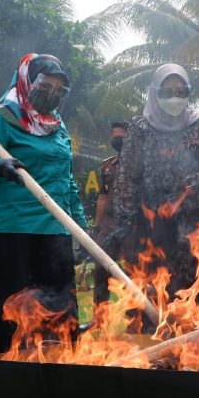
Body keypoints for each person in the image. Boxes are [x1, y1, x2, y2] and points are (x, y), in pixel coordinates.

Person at [0, 53, 87, 358]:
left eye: (60, 90)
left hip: (55, 230)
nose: (52, 94)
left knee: (58, 311)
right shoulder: (4, 116)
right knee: (13, 315)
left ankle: (62, 376)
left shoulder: (58, 125)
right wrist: (0, 167)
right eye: (46, 85)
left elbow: (66, 181)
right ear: (28, 80)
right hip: (12, 232)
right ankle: (8, 378)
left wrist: (81, 228)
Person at [113, 63, 199, 327]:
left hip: (194, 218)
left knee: (198, 280)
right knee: (157, 283)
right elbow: (127, 175)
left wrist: (194, 184)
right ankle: (157, 342)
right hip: (154, 219)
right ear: (155, 92)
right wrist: (126, 221)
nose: (174, 97)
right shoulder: (140, 128)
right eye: (168, 91)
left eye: (181, 91)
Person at [86, 121, 127, 330]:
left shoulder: (139, 164)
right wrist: (97, 224)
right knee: (101, 269)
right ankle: (99, 320)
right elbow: (102, 197)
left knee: (132, 271)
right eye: (114, 137)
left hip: (131, 224)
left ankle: (135, 318)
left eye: (121, 136)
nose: (116, 140)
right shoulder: (107, 166)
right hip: (108, 225)